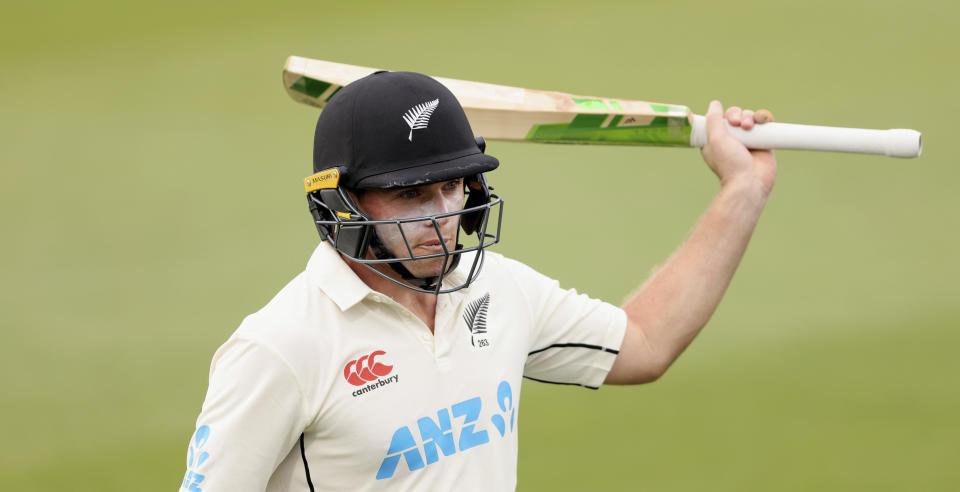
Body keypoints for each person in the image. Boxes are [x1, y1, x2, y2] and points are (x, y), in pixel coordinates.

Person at [180, 70, 775, 491]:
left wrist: (743, 191)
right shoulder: (281, 348)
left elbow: (645, 343)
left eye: (452, 186)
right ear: (343, 205)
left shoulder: (500, 289)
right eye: (411, 195)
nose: (442, 214)